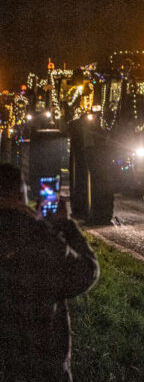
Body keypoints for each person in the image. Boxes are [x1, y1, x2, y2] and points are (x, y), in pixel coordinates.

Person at [0, 163, 99, 381]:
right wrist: (64, 225)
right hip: (40, 365)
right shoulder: (36, 235)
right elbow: (85, 272)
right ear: (21, 193)